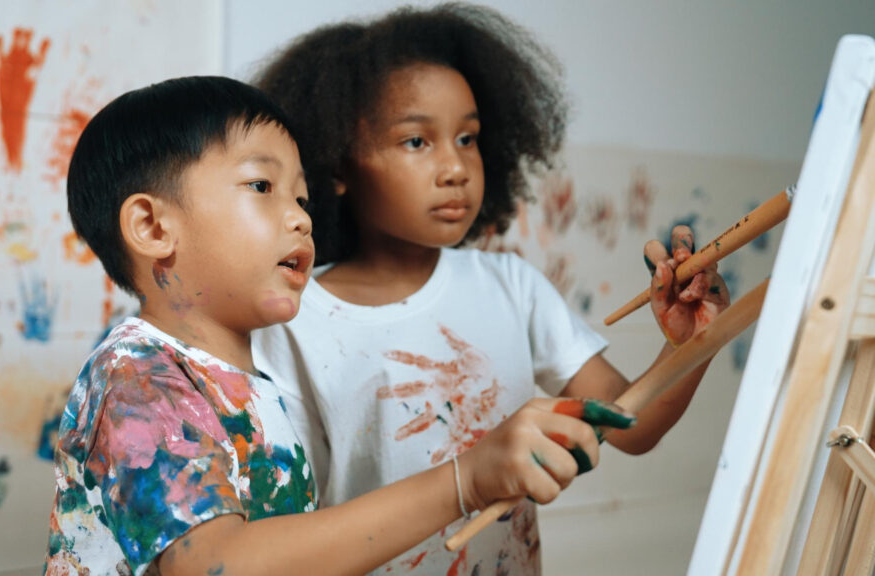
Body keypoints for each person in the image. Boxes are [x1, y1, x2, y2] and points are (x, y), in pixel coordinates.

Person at [43, 75, 634, 576]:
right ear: (152, 228)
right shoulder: (136, 377)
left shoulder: (250, 384)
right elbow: (218, 565)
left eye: (301, 198)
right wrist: (464, 481)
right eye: (261, 187)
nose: (301, 219)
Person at [251, 4, 730, 575]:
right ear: (336, 165)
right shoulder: (293, 317)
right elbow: (284, 529)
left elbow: (632, 426)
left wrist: (694, 343)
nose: (455, 167)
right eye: (416, 141)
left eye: (468, 138)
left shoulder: (512, 287)